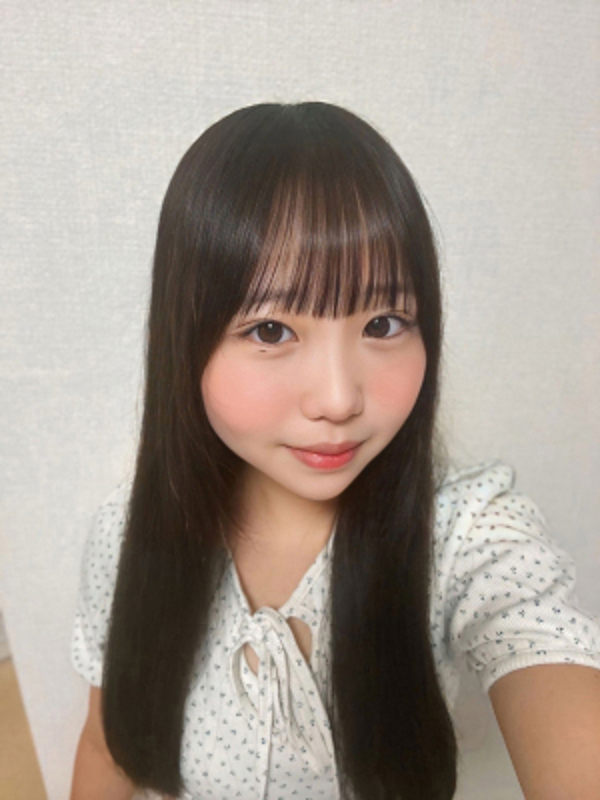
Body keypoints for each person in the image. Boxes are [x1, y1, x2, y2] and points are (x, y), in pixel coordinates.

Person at [69, 102, 600, 800]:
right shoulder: (127, 533)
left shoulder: (467, 536)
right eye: (270, 330)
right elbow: (107, 744)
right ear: (184, 339)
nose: (339, 398)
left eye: (384, 322)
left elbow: (536, 637)